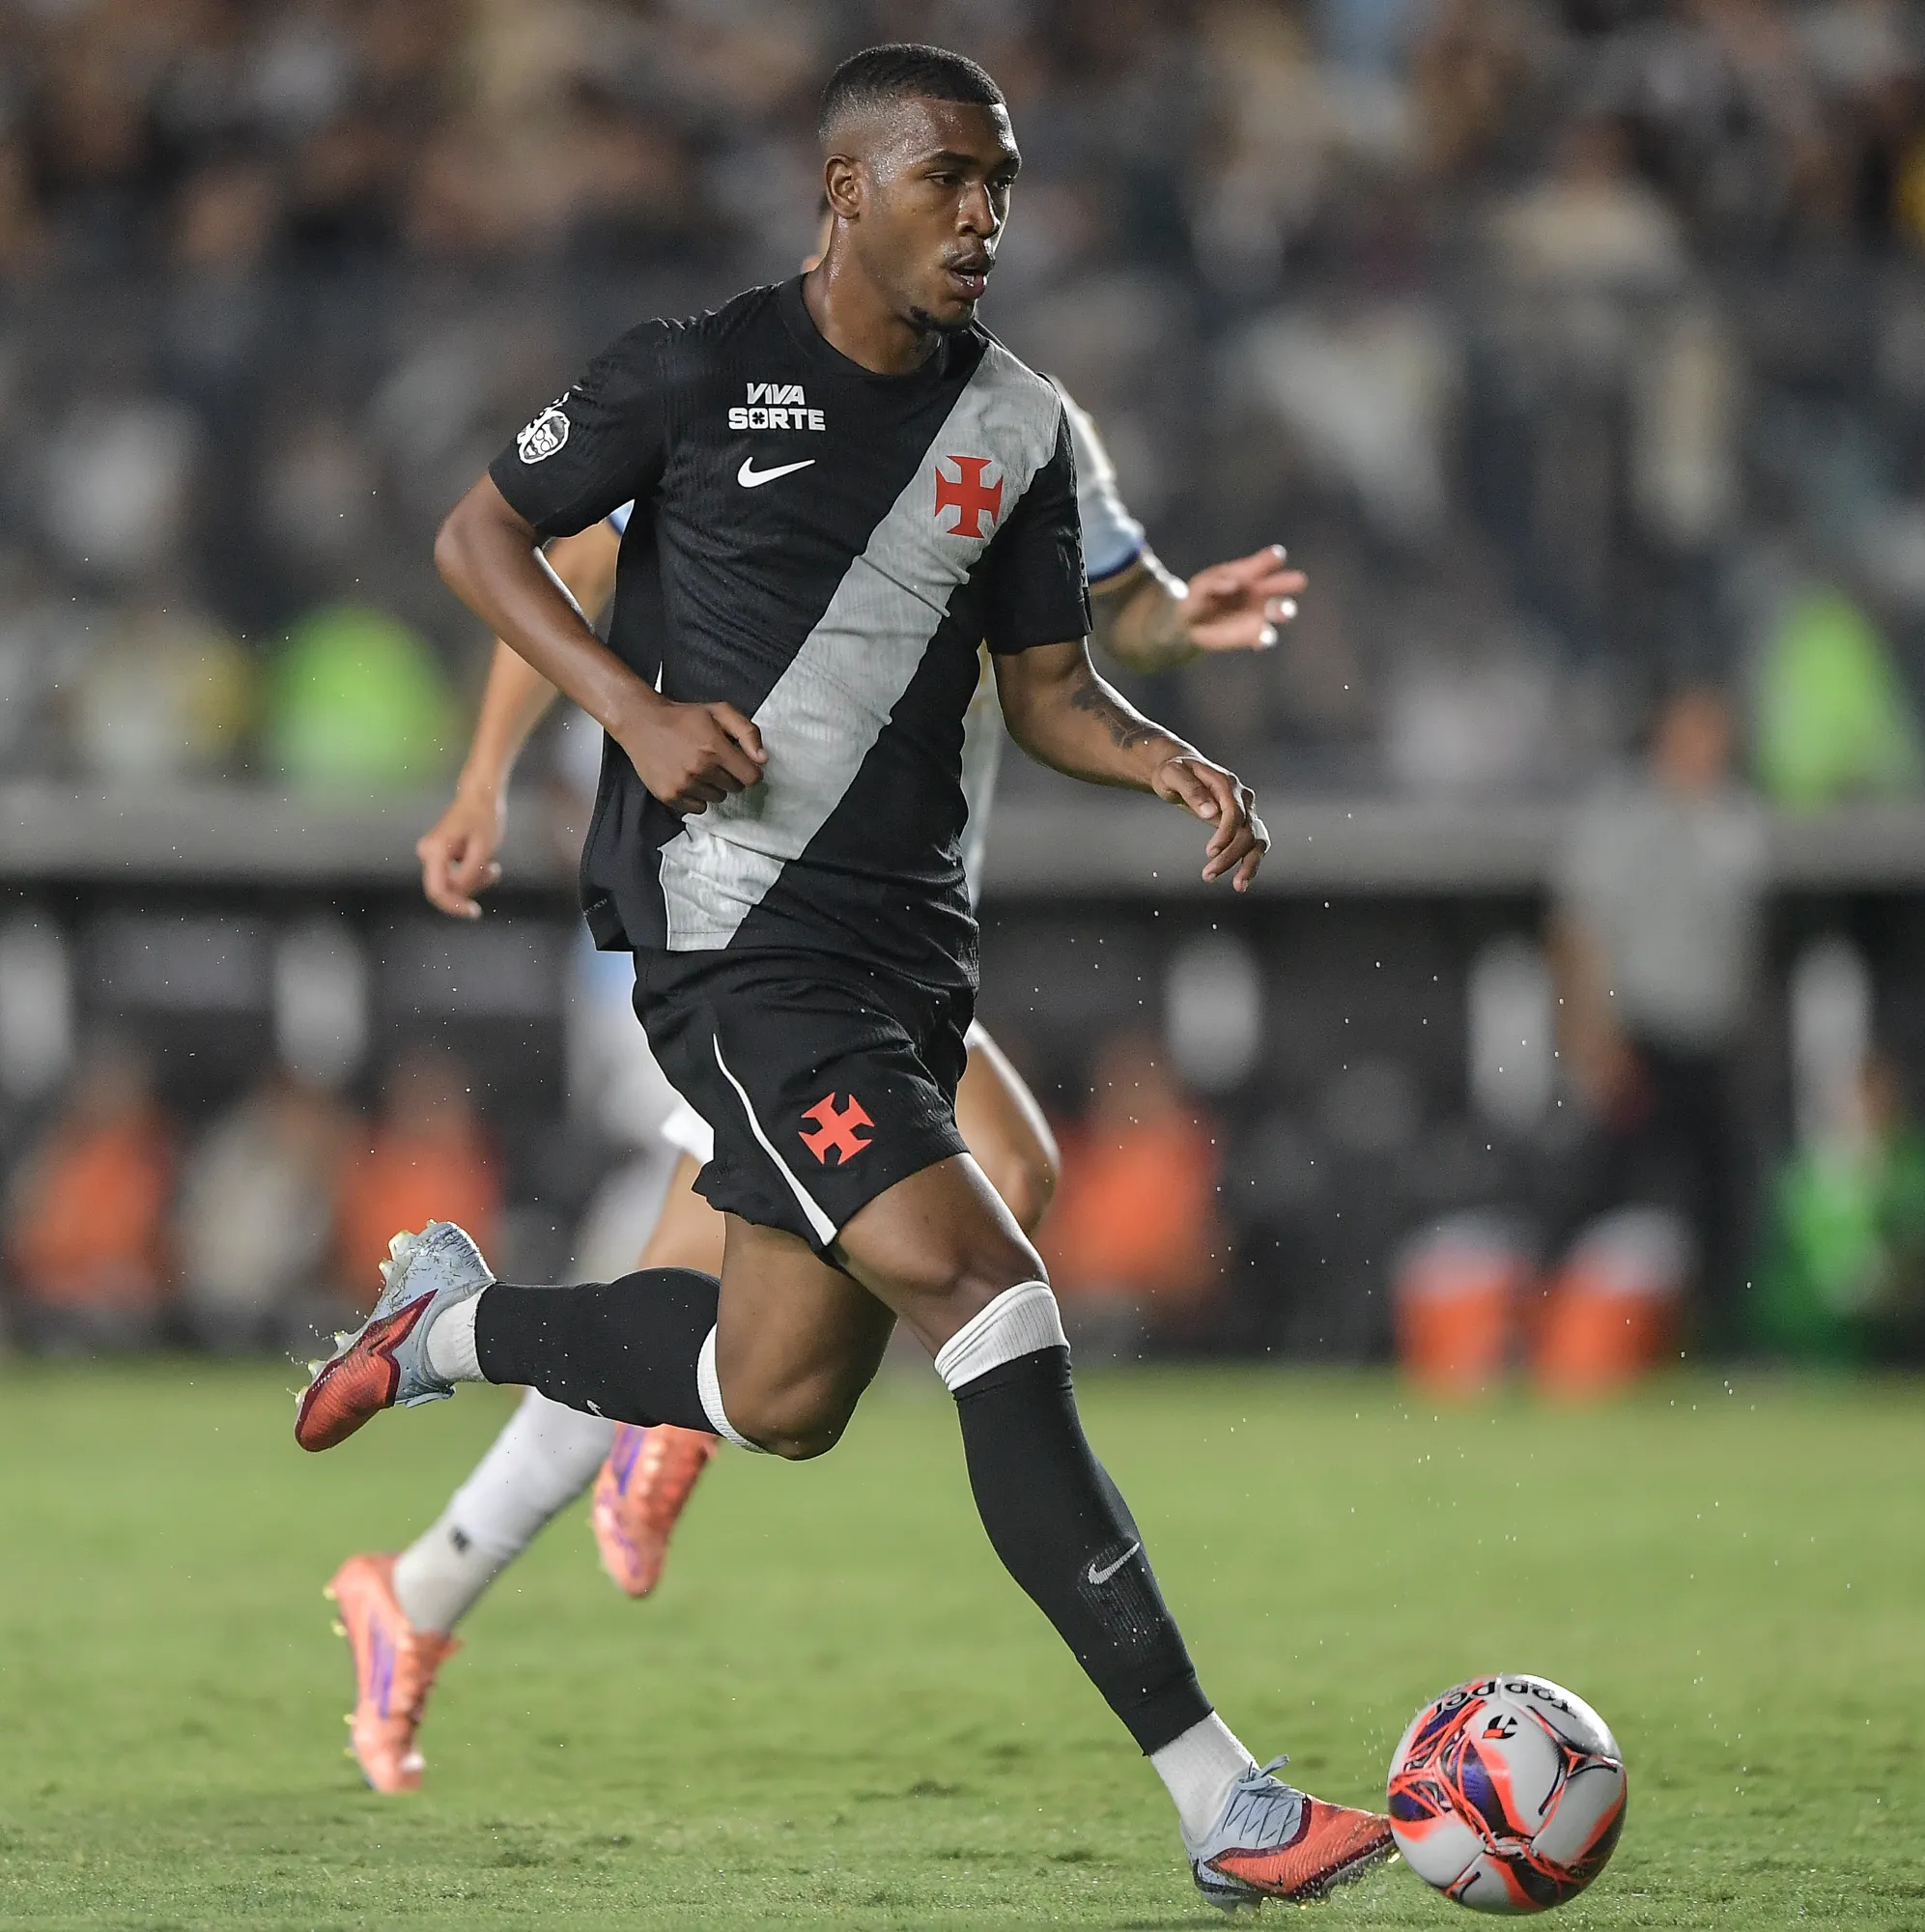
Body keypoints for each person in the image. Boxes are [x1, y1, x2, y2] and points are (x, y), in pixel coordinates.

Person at [296, 45, 1390, 1909]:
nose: (986, 216)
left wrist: (1167, 752)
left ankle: (457, 1335)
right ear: (847, 190)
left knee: (784, 1390)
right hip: (732, 943)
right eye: (950, 178)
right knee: (987, 1273)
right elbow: (492, 537)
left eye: (1006, 184)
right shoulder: (697, 371)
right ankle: (1224, 1800)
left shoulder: (1022, 428)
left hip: (905, 958)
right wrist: (608, 723)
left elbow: (1054, 687)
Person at [1547, 682, 1766, 1346]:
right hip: (1641, 1034)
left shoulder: (1735, 819)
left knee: (1720, 1198)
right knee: (1604, 1190)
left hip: (1711, 1038)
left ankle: (1718, 1340)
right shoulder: (1623, 816)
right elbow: (1579, 935)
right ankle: (1552, 1327)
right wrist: (1590, 1037)